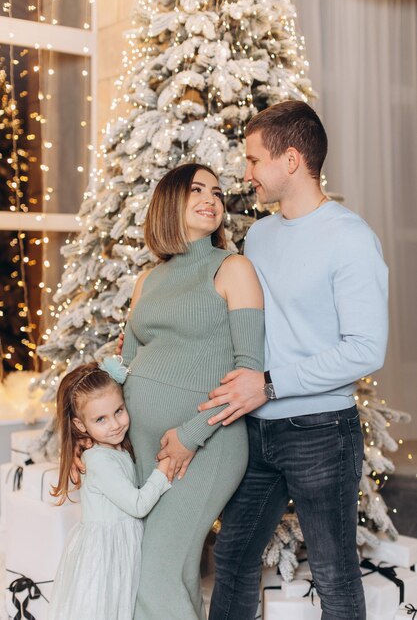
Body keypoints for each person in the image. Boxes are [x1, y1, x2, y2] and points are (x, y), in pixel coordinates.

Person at [200, 101, 389, 620]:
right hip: (256, 431)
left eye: (253, 160)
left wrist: (272, 384)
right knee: (234, 557)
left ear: (290, 159)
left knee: (333, 574)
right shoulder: (258, 237)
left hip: (322, 433)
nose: (246, 173)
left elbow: (365, 348)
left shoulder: (350, 238)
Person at [121, 162, 264, 620]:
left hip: (207, 442)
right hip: (145, 445)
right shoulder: (148, 279)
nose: (212, 199)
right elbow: (126, 363)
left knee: (155, 571)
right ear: (169, 202)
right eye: (198, 189)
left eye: (218, 193)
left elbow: (249, 373)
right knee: (173, 569)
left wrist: (189, 435)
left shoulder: (233, 268)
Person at [49, 357, 171, 620]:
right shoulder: (98, 459)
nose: (115, 424)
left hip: (119, 546)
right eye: (100, 419)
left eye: (118, 411)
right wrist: (163, 472)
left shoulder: (113, 447)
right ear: (81, 425)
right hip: (105, 555)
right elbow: (138, 505)